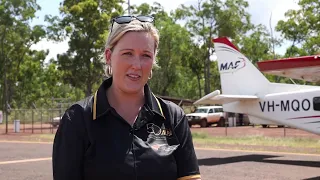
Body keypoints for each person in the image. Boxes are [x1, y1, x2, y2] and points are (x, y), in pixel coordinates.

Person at [52, 15, 201, 180]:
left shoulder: (173, 117)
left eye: (146, 55)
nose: (136, 65)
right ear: (109, 56)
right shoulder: (78, 119)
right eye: (128, 53)